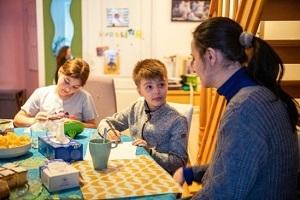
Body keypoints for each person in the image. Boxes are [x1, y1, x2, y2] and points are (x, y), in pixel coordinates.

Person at [173, 17, 299, 199]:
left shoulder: (245, 107)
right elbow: (238, 166)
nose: (193, 67)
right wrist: (191, 173)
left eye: (194, 58)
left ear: (210, 56)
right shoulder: (256, 94)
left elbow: (225, 194)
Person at [95, 59, 188, 175]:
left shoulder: (178, 121)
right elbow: (104, 122)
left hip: (159, 176)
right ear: (140, 91)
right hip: (135, 169)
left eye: (161, 84)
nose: (157, 91)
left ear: (167, 84)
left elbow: (179, 162)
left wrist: (149, 152)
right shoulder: (135, 108)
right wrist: (108, 131)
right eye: (149, 87)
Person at [14, 58, 98, 128]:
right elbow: (17, 119)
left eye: (75, 87)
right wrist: (34, 121)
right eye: (66, 81)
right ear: (60, 72)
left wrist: (77, 125)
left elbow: (93, 126)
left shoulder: (84, 97)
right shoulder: (41, 93)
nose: (68, 89)